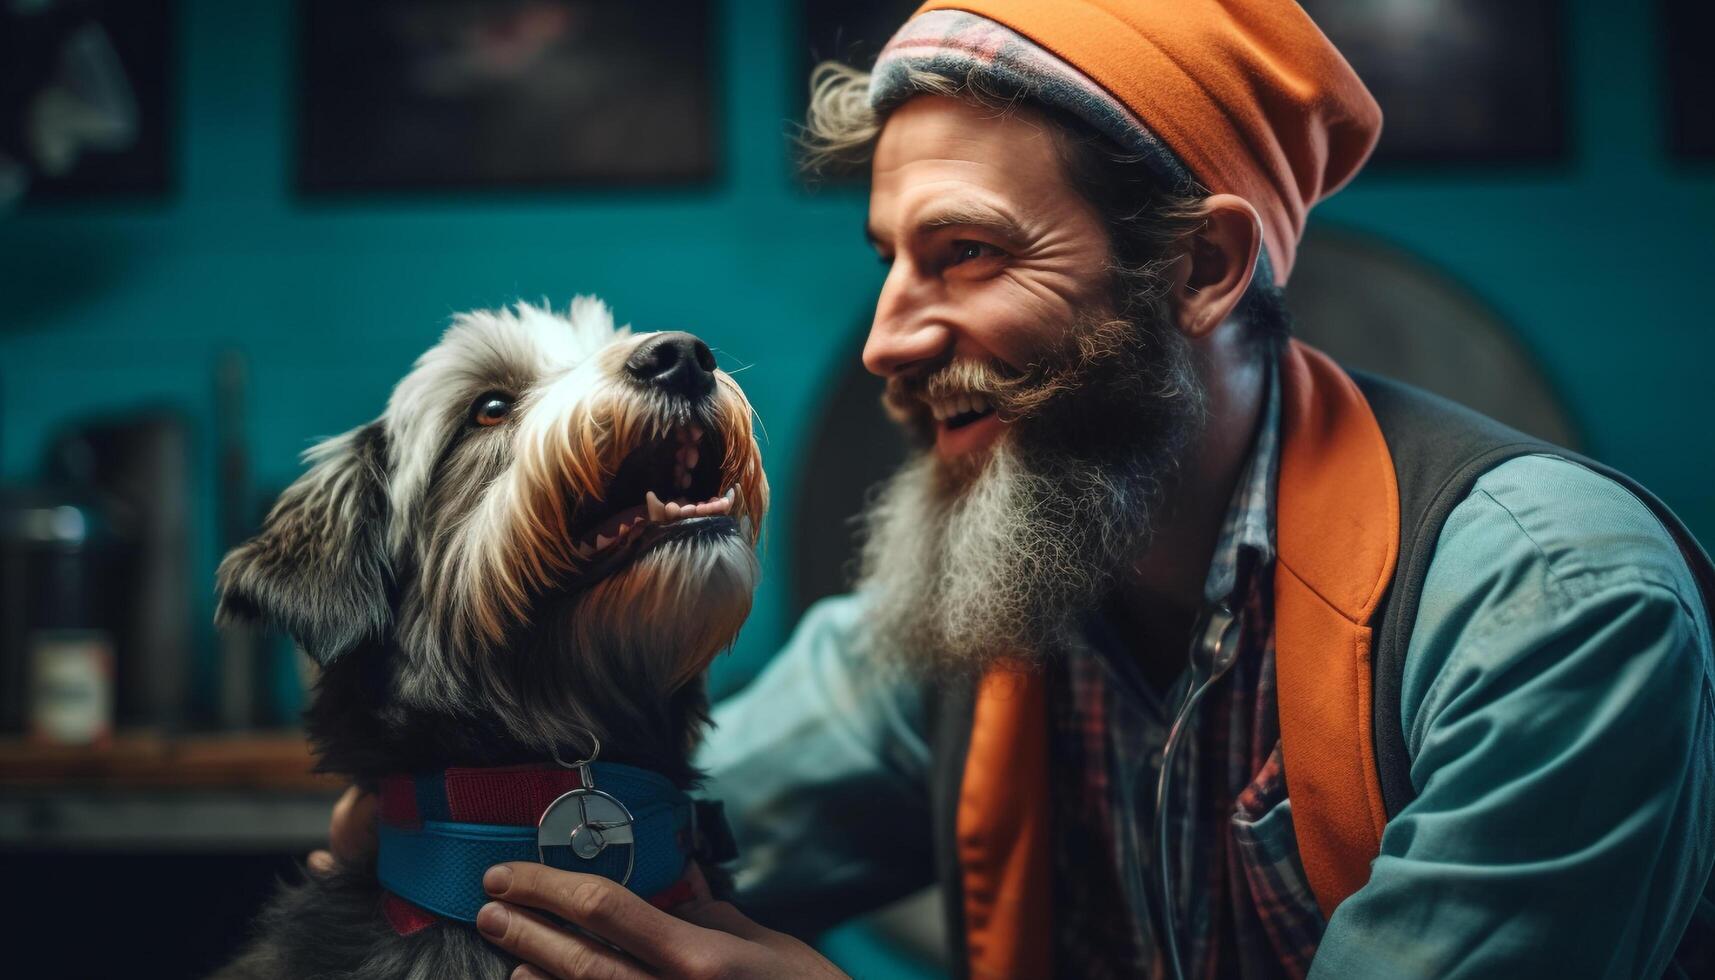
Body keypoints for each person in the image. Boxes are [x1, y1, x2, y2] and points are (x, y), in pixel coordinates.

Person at [321, 2, 1715, 976]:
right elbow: (605, 842)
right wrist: (434, 828)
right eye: (888, 260)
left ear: (1205, 269)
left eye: (969, 255)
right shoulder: (986, 603)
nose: (885, 339)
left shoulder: (1553, 614)